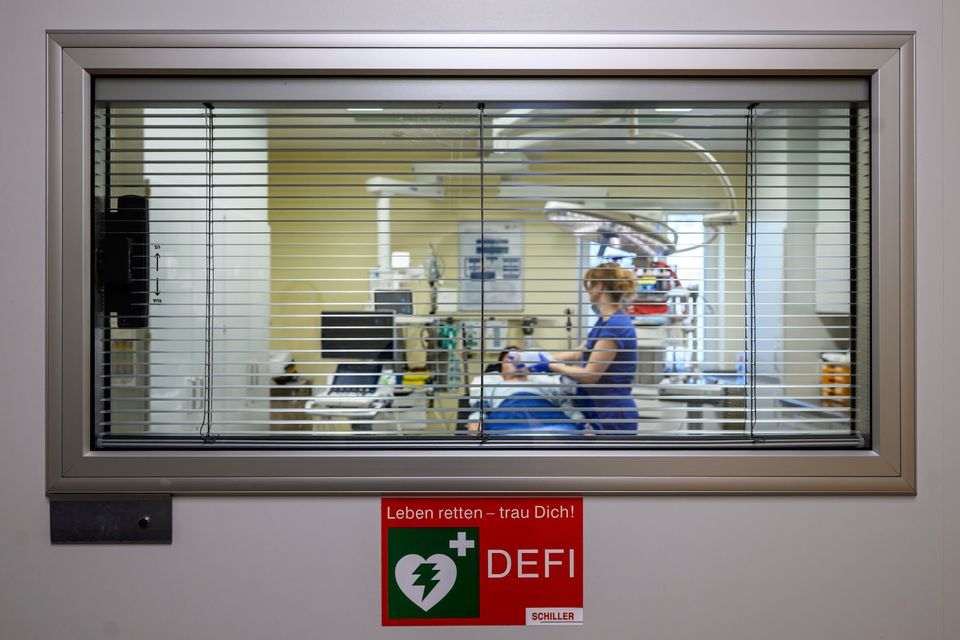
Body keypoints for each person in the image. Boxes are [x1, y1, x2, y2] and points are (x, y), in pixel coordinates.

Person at [518, 262, 639, 432]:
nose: (587, 290)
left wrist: (552, 366)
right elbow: (579, 353)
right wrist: (537, 359)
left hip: (612, 413)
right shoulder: (604, 321)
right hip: (596, 407)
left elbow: (590, 375)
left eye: (590, 285)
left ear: (600, 286)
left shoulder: (616, 326)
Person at [467, 347, 582, 433]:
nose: (515, 362)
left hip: (549, 419)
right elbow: (478, 413)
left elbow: (568, 407)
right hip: (506, 422)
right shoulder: (492, 386)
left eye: (520, 359)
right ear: (501, 370)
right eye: (509, 360)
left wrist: (584, 427)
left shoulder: (545, 383)